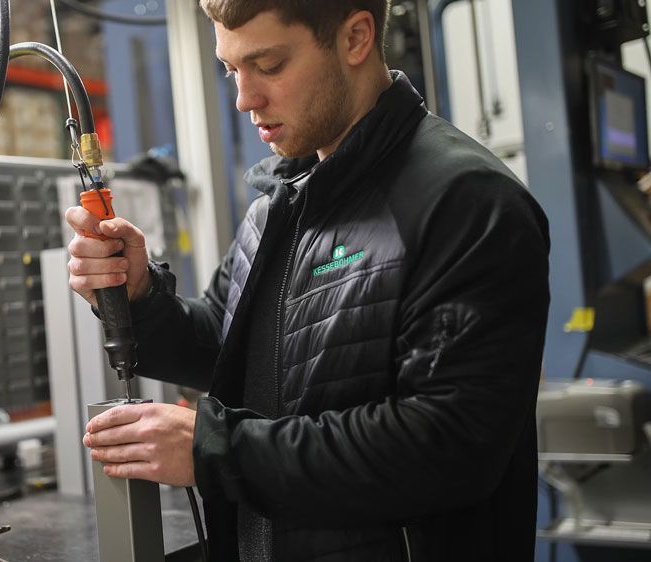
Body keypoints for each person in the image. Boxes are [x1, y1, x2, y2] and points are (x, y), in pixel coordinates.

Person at [67, 1, 550, 561]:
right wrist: (139, 297)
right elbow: (225, 347)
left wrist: (212, 449)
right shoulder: (280, 202)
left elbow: (446, 448)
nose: (245, 98)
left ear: (355, 38)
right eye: (231, 70)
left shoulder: (466, 202)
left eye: (268, 65)